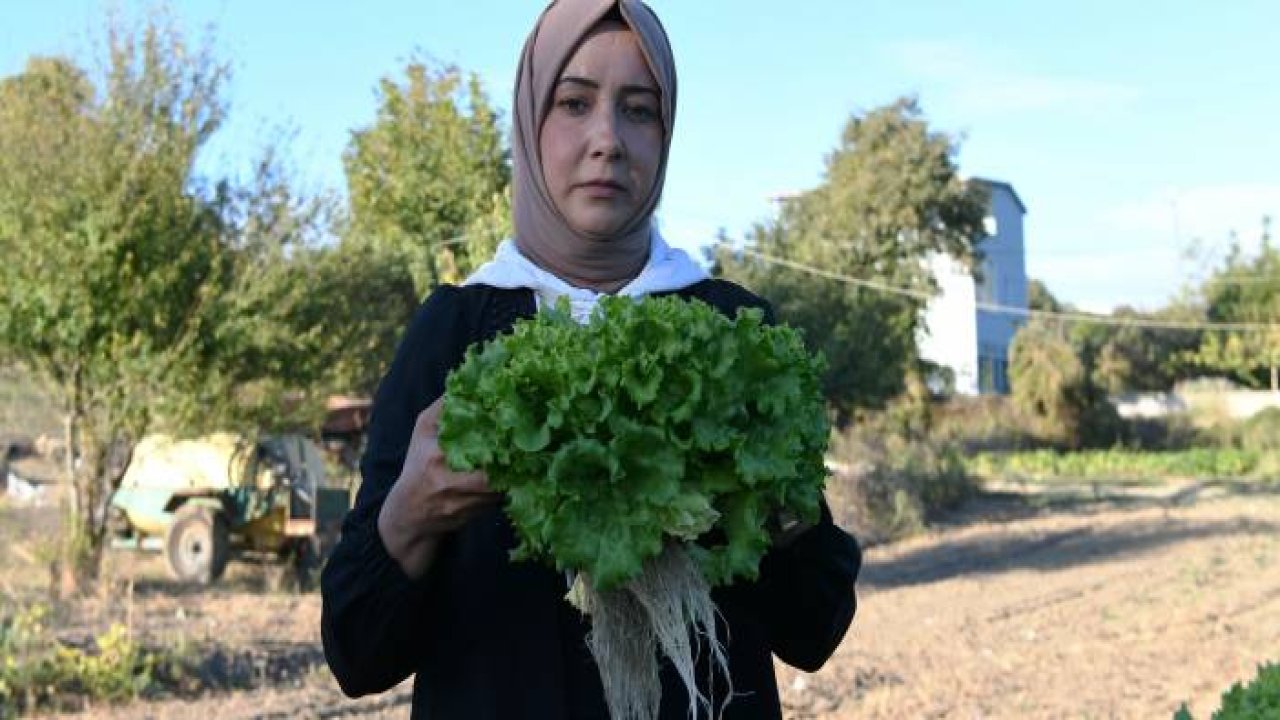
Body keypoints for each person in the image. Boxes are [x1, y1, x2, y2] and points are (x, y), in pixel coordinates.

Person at [320, 1, 862, 717]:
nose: (607, 138)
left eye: (639, 111)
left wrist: (785, 516)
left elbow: (815, 629)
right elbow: (358, 654)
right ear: (530, 120)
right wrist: (409, 516)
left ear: (667, 136)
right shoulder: (454, 333)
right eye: (574, 103)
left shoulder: (731, 330)